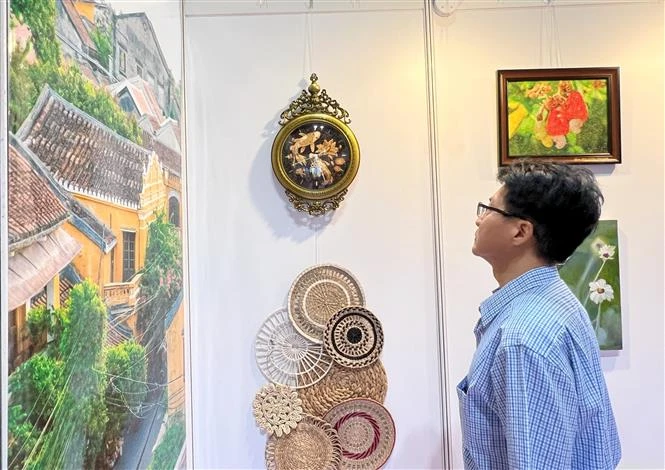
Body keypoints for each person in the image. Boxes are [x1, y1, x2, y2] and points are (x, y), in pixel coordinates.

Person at [458, 160, 621, 469]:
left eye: (490, 209)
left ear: (521, 231)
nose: (479, 220)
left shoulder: (522, 338)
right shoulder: (558, 301)